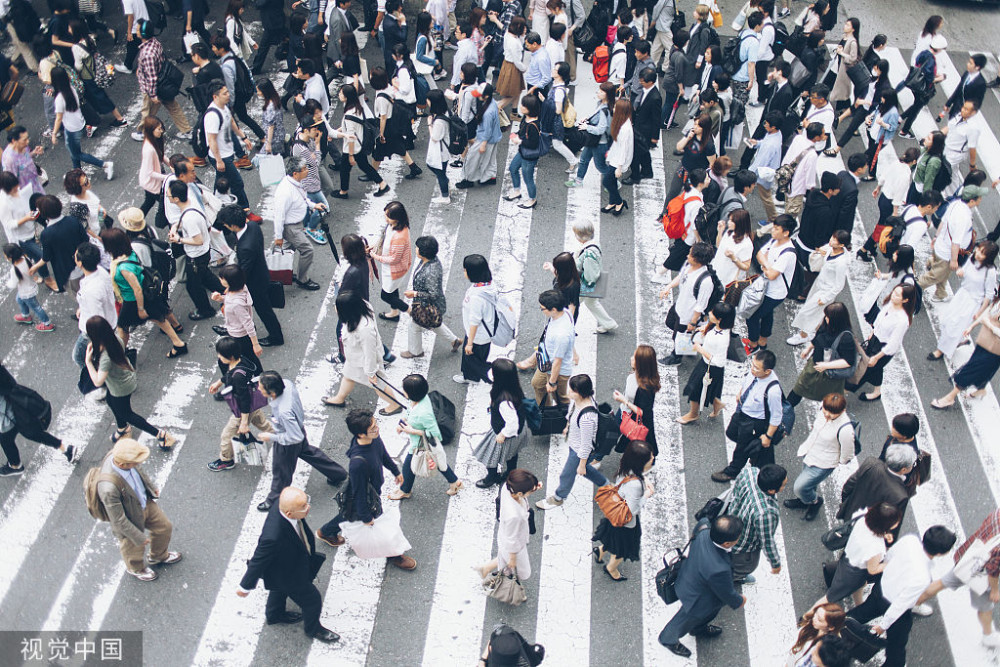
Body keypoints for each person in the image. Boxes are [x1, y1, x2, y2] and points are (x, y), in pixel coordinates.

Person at [313, 408, 417, 568]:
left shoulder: (373, 438)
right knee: (380, 525)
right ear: (361, 434)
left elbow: (382, 454)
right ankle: (395, 555)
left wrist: (395, 470)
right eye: (373, 428)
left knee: (349, 514)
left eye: (375, 424)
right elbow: (359, 493)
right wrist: (367, 517)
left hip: (373, 490)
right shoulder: (357, 464)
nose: (377, 429)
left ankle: (326, 532)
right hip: (368, 497)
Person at [237, 486, 339, 643]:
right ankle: (313, 629)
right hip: (290, 572)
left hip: (281, 567)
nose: (308, 507)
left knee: (278, 588)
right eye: (303, 507)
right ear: (290, 513)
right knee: (312, 600)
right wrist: (245, 587)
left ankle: (274, 615)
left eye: (306, 503)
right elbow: (259, 559)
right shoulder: (273, 536)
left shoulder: (283, 506)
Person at [848, 526, 957, 667]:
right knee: (896, 645)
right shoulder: (922, 577)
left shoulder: (910, 540)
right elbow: (901, 604)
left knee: (860, 614)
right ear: (941, 553)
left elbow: (889, 556)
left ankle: (832, 627)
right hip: (894, 605)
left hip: (881, 589)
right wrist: (883, 626)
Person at [255, 371, 348, 512]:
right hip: (299, 428)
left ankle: (275, 499)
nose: (258, 389)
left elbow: (294, 437)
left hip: (288, 440)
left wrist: (271, 437)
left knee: (281, 471)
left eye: (261, 387)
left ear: (272, 393)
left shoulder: (283, 412)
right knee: (309, 452)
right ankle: (337, 474)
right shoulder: (287, 384)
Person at [657, 514, 746, 657]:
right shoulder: (719, 569)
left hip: (690, 576)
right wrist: (739, 601)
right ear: (727, 543)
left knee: (707, 613)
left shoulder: (704, 529)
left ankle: (698, 628)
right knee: (685, 618)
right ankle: (668, 638)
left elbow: (700, 523)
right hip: (698, 598)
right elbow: (726, 592)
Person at [84, 315, 178, 450]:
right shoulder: (115, 339)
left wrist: (88, 362)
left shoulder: (106, 356)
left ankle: (160, 435)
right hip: (124, 378)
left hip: (120, 387)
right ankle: (122, 427)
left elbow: (98, 381)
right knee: (111, 401)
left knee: (127, 413)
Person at [94, 438, 181, 582]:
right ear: (123, 464)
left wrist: (151, 487)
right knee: (133, 547)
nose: (139, 463)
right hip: (129, 517)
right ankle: (136, 568)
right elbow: (118, 520)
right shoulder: (108, 489)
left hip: (143, 502)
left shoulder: (122, 457)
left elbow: (139, 471)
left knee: (164, 527)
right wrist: (138, 537)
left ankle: (158, 556)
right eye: (135, 462)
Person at [923, 508, 1000, 647]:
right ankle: (988, 636)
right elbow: (993, 570)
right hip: (980, 573)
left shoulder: (998, 513)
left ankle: (913, 603)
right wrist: (994, 590)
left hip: (969, 557)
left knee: (943, 582)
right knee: (985, 606)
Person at [535, 374, 610, 510]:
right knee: (584, 469)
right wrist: (568, 427)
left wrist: (581, 464)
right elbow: (572, 413)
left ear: (580, 393)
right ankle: (605, 484)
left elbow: (586, 445)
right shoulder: (580, 401)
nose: (568, 392)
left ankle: (558, 498)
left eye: (572, 390)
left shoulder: (587, 418)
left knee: (567, 474)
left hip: (579, 450)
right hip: (575, 445)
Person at [322, 291, 404, 412]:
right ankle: (340, 398)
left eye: (338, 307)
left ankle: (395, 405)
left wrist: (371, 373)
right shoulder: (362, 310)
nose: (335, 309)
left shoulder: (364, 330)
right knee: (348, 376)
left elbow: (370, 353)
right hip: (355, 359)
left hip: (365, 362)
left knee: (378, 385)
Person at [712, 350, 784, 482]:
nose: (752, 369)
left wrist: (768, 436)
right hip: (742, 412)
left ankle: (732, 472)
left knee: (741, 448)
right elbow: (747, 383)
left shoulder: (773, 390)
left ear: (767, 371)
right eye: (752, 365)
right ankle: (754, 451)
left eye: (756, 367)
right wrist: (741, 393)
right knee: (732, 433)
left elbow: (776, 416)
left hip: (753, 422)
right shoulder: (755, 374)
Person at [389, 373, 463, 499]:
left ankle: (405, 490)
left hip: (422, 443)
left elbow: (434, 432)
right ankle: (455, 482)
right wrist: (403, 422)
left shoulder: (423, 413)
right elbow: (409, 411)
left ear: (412, 393)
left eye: (404, 389)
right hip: (419, 443)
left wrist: (411, 430)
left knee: (410, 464)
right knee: (439, 463)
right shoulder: (420, 399)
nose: (403, 391)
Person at [217, 205, 283, 346]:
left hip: (255, 283)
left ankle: (276, 336)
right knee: (257, 308)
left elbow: (243, 272)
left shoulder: (246, 247)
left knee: (263, 310)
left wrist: (230, 287)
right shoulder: (253, 226)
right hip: (261, 273)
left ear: (233, 226)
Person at [814, 502, 901, 609]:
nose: (897, 523)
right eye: (895, 522)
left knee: (859, 586)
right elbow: (873, 569)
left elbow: (868, 535)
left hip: (848, 557)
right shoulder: (876, 548)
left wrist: (883, 534)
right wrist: (890, 563)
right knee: (830, 597)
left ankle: (859, 605)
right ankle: (806, 617)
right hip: (854, 574)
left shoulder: (864, 519)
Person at [206, 336, 273, 472]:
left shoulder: (238, 377)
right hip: (254, 406)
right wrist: (219, 382)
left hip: (243, 411)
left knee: (226, 436)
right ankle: (283, 436)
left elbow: (244, 399)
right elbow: (229, 374)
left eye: (221, 355)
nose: (219, 357)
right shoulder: (241, 361)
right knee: (262, 423)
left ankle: (226, 460)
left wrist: (243, 423)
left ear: (230, 356)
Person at [784, 393, 855, 521]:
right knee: (808, 485)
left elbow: (848, 452)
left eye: (832, 413)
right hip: (810, 452)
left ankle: (815, 501)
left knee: (800, 487)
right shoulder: (822, 411)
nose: (827, 414)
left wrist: (838, 461)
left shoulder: (845, 429)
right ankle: (805, 500)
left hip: (824, 463)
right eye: (825, 410)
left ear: (843, 411)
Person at [592, 440, 654, 581]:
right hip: (625, 523)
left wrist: (643, 479)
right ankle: (611, 569)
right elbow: (632, 511)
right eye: (650, 457)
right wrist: (646, 495)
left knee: (612, 540)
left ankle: (601, 551)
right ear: (640, 463)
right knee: (621, 550)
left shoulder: (625, 466)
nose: (653, 458)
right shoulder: (636, 486)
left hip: (614, 513)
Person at [0, 363, 75, 477]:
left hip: (8, 414)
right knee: (31, 434)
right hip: (16, 406)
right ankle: (64, 447)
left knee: (8, 438)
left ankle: (15, 465)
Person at [928, 240, 998, 361]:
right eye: (979, 249)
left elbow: (989, 294)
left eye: (982, 253)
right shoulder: (973, 258)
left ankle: (940, 351)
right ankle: (959, 341)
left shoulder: (990, 271)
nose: (977, 253)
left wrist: (980, 312)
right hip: (962, 294)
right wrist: (961, 272)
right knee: (947, 321)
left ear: (989, 257)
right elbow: (965, 270)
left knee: (954, 327)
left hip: (972, 302)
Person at [846, 283, 915, 402]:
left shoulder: (902, 320)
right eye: (894, 292)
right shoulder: (890, 304)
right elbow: (879, 320)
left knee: (862, 373)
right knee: (875, 369)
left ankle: (840, 395)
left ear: (905, 300)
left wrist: (877, 357)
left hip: (882, 349)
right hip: (875, 340)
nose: (893, 295)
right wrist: (873, 332)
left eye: (898, 295)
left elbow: (893, 345)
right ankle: (877, 392)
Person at [931, 291, 1000, 408]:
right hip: (985, 341)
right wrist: (972, 326)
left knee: (971, 369)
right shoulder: (998, 300)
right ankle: (980, 390)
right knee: (980, 369)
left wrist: (989, 325)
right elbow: (987, 313)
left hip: (995, 350)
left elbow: (988, 321)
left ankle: (950, 398)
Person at [131, 20, 192, 142]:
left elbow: (152, 76)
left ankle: (144, 132)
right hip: (164, 84)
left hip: (153, 87)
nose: (135, 31)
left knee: (147, 110)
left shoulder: (147, 54)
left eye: (137, 30)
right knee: (172, 106)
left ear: (143, 33)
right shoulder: (154, 42)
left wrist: (153, 95)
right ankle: (186, 130)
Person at [477, 468, 541, 581]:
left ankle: (486, 569)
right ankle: (505, 587)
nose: (532, 492)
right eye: (531, 491)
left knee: (503, 556)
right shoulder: (515, 516)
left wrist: (532, 486)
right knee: (522, 571)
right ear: (520, 493)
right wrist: (512, 559)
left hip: (504, 533)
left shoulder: (508, 487)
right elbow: (512, 539)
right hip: (514, 545)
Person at [402, 235, 461, 358]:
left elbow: (433, 294)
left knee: (415, 326)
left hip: (426, 305)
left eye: (417, 248)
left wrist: (415, 294)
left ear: (423, 252)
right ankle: (454, 340)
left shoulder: (431, 271)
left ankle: (415, 351)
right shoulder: (429, 260)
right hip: (428, 306)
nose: (415, 249)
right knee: (433, 324)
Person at [473, 358, 529, 487]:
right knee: (512, 453)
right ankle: (510, 472)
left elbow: (512, 422)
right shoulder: (513, 387)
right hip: (518, 432)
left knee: (490, 455)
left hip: (505, 432)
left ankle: (491, 477)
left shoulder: (504, 400)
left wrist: (503, 434)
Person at [50, 67, 113, 177]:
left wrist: (54, 134)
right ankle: (77, 172)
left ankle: (105, 165)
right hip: (78, 123)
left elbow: (58, 118)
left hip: (71, 128)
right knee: (73, 151)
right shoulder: (71, 88)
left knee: (76, 153)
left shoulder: (59, 98)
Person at [660, 242, 716, 365]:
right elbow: (681, 276)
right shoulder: (688, 264)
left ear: (698, 260)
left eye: (690, 254)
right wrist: (668, 287)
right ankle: (689, 346)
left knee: (679, 336)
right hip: (680, 306)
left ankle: (676, 357)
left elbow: (701, 305)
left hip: (688, 315)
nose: (687, 256)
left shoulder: (706, 281)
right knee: (670, 323)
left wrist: (693, 322)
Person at [747, 215, 798, 351]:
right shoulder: (774, 241)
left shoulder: (788, 253)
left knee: (751, 315)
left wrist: (765, 265)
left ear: (786, 233)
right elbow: (758, 254)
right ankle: (763, 341)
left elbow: (772, 275)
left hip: (775, 292)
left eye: (776, 229)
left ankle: (753, 344)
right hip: (767, 288)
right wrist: (768, 265)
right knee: (767, 314)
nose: (772, 231)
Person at [678, 303, 734, 425]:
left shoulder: (722, 339)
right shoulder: (720, 327)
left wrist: (700, 349)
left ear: (720, 320)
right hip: (707, 364)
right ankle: (717, 405)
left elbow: (718, 360)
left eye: (713, 313)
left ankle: (693, 414)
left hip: (711, 367)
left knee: (695, 390)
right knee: (710, 389)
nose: (709, 313)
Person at [729, 463, 786, 584]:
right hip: (743, 543)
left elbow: (735, 493)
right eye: (783, 485)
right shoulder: (765, 513)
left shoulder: (750, 472)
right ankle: (735, 578)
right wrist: (775, 563)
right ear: (771, 490)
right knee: (745, 567)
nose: (785, 484)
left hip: (731, 520)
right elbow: (767, 541)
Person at [271, 156, 322, 291]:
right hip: (291, 227)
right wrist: (278, 237)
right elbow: (279, 216)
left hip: (296, 225)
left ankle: (279, 272)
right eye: (304, 169)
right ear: (295, 173)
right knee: (307, 250)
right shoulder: (285, 192)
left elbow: (303, 199)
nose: (307, 170)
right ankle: (302, 279)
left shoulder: (295, 183)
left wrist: (313, 205)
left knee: (287, 250)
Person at [789, 232, 850, 343]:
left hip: (826, 291)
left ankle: (804, 335)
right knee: (816, 313)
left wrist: (826, 298)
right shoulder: (830, 249)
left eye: (835, 240)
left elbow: (839, 285)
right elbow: (820, 252)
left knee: (808, 312)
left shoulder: (841, 263)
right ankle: (814, 331)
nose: (831, 240)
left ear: (841, 245)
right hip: (819, 284)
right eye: (832, 237)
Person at [332, 83, 390, 198]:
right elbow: (350, 126)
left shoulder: (349, 113)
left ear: (347, 97)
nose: (339, 94)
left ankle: (343, 192)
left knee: (345, 169)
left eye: (341, 93)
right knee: (364, 166)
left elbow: (351, 135)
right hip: (361, 142)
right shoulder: (357, 107)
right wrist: (338, 131)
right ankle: (382, 184)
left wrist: (351, 155)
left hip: (353, 148)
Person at [837, 444, 917, 524]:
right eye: (912, 465)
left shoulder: (871, 463)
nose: (912, 466)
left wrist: (846, 506)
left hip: (849, 514)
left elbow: (848, 486)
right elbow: (890, 522)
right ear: (903, 469)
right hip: (869, 528)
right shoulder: (901, 496)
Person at [203, 80, 251, 210]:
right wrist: (219, 160)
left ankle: (213, 206)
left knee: (221, 182)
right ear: (215, 96)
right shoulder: (212, 115)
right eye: (225, 93)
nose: (228, 95)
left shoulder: (224, 107)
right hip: (221, 156)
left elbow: (231, 121)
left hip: (227, 153)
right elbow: (211, 140)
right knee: (237, 183)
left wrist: (243, 137)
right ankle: (243, 208)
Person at [525, 289, 575, 405]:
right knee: (537, 384)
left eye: (542, 309)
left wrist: (552, 382)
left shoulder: (561, 334)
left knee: (560, 398)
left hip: (558, 372)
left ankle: (561, 418)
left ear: (553, 309)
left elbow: (558, 361)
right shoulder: (565, 313)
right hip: (547, 362)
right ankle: (546, 411)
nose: (541, 311)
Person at [30, 195, 88, 293]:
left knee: (81, 298)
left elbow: (47, 256)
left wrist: (35, 266)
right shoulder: (73, 220)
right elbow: (86, 239)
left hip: (69, 272)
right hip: (86, 264)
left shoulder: (46, 234)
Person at [72, 242, 116, 370]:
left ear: (80, 263)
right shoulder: (101, 272)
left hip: (92, 331)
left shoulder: (91, 291)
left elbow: (98, 319)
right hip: (110, 317)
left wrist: (99, 342)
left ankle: (93, 377)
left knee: (79, 357)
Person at [455, 254, 498, 385]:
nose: (464, 272)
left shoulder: (477, 298)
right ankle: (475, 375)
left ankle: (473, 378)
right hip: (486, 331)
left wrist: (469, 343)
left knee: (471, 358)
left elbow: (475, 321)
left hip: (477, 335)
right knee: (477, 357)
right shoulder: (488, 285)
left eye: (465, 269)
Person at [896, 34, 947, 140]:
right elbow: (930, 79)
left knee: (916, 105)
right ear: (939, 49)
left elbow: (920, 67)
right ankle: (904, 131)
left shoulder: (924, 53)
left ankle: (900, 118)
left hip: (915, 84)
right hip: (923, 88)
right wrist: (940, 78)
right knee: (915, 110)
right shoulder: (932, 61)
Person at [369, 201, 412, 320]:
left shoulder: (400, 236)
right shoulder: (394, 225)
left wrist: (375, 256)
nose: (386, 218)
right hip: (391, 268)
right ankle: (394, 313)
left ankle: (410, 311)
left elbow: (394, 259)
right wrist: (375, 247)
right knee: (393, 289)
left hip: (395, 269)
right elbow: (385, 239)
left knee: (386, 295)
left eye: (389, 216)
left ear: (397, 218)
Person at [572, 219, 617, 332]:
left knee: (571, 304)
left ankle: (567, 327)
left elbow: (590, 276)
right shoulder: (594, 244)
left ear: (580, 237)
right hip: (592, 284)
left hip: (586, 285)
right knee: (591, 303)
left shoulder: (588, 253)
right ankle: (608, 324)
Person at [504, 94, 543, 209]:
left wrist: (519, 141)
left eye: (523, 105)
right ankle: (517, 191)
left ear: (529, 108)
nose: (521, 107)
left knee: (528, 178)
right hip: (522, 152)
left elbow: (533, 143)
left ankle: (532, 199)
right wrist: (517, 135)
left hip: (529, 156)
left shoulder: (534, 125)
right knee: (513, 168)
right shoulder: (525, 118)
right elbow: (522, 132)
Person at [458, 83, 501, 188]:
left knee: (472, 158)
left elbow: (487, 130)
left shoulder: (487, 113)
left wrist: (483, 144)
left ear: (486, 96)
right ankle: (489, 177)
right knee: (490, 159)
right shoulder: (492, 104)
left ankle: (468, 179)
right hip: (495, 137)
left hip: (484, 138)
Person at [941, 100, 982, 198]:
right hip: (947, 148)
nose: (963, 110)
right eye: (963, 107)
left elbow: (972, 147)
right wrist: (935, 135)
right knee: (953, 175)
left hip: (956, 154)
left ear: (973, 113)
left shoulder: (973, 128)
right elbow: (949, 127)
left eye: (966, 109)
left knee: (942, 172)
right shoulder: (959, 116)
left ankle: (945, 195)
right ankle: (956, 195)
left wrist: (972, 164)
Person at [602, 97, 634, 216]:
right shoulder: (622, 121)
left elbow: (624, 149)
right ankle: (612, 202)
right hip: (616, 156)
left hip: (619, 160)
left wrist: (619, 167)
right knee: (611, 181)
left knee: (607, 181)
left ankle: (619, 202)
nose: (614, 108)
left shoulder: (625, 128)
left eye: (616, 107)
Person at [2, 127, 46, 195]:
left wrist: (34, 152)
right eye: (24, 140)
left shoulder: (23, 146)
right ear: (14, 141)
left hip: (35, 184)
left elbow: (25, 157)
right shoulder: (9, 160)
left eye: (27, 138)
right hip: (26, 192)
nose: (27, 141)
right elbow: (11, 182)